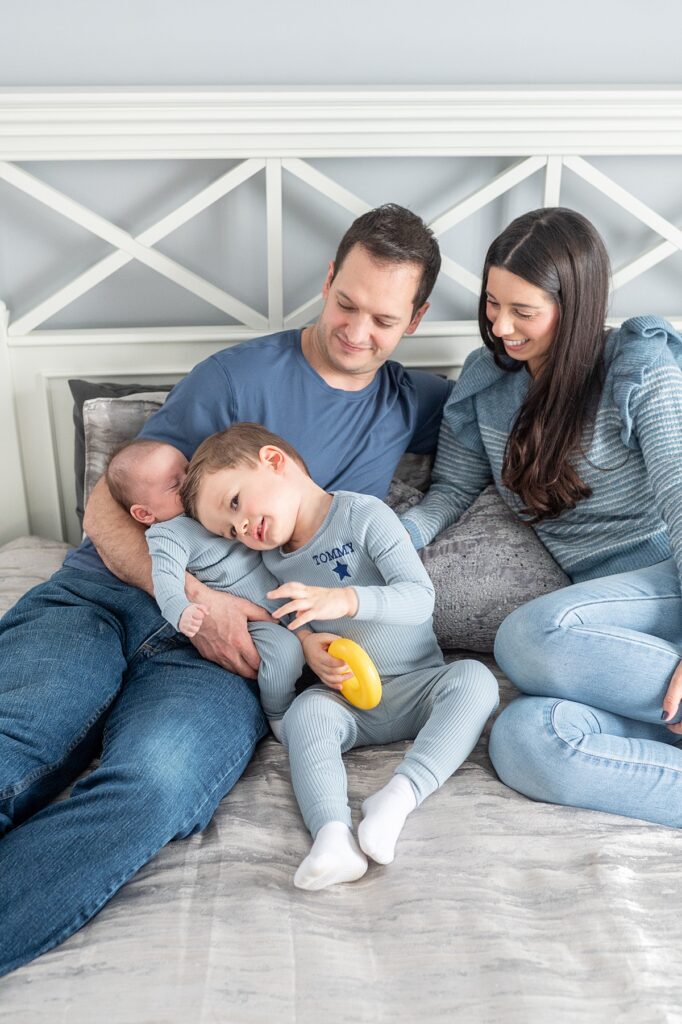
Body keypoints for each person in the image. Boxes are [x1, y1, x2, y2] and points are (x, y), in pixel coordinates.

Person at [0, 204, 450, 975]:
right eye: (346, 303)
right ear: (328, 279)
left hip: (234, 657)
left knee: (152, 786)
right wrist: (195, 604)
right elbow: (110, 502)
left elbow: (525, 418)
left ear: (416, 317)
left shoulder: (411, 403)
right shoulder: (236, 377)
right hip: (103, 600)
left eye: (383, 318)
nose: (357, 331)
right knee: (18, 735)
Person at [401, 206, 682, 829]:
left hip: (668, 580)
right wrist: (395, 540)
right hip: (606, 638)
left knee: (528, 639)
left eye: (523, 312)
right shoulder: (484, 384)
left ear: (575, 305)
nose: (501, 327)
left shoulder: (639, 367)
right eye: (492, 303)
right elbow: (449, 491)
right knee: (525, 739)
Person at [180, 422, 499, 890]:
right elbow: (295, 623)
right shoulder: (271, 561)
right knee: (307, 715)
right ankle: (331, 837)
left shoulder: (364, 515)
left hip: (417, 684)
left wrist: (347, 600)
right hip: (350, 699)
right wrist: (309, 644)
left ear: (274, 461)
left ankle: (398, 798)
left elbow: (419, 598)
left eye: (235, 504)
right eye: (231, 530)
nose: (243, 528)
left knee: (476, 681)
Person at [106, 436, 305, 731]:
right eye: (176, 485)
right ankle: (278, 713)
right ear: (145, 514)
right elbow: (166, 581)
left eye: (188, 469)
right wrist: (181, 611)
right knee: (286, 651)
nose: (192, 482)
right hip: (250, 617)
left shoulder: (211, 508)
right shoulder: (168, 535)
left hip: (282, 590)